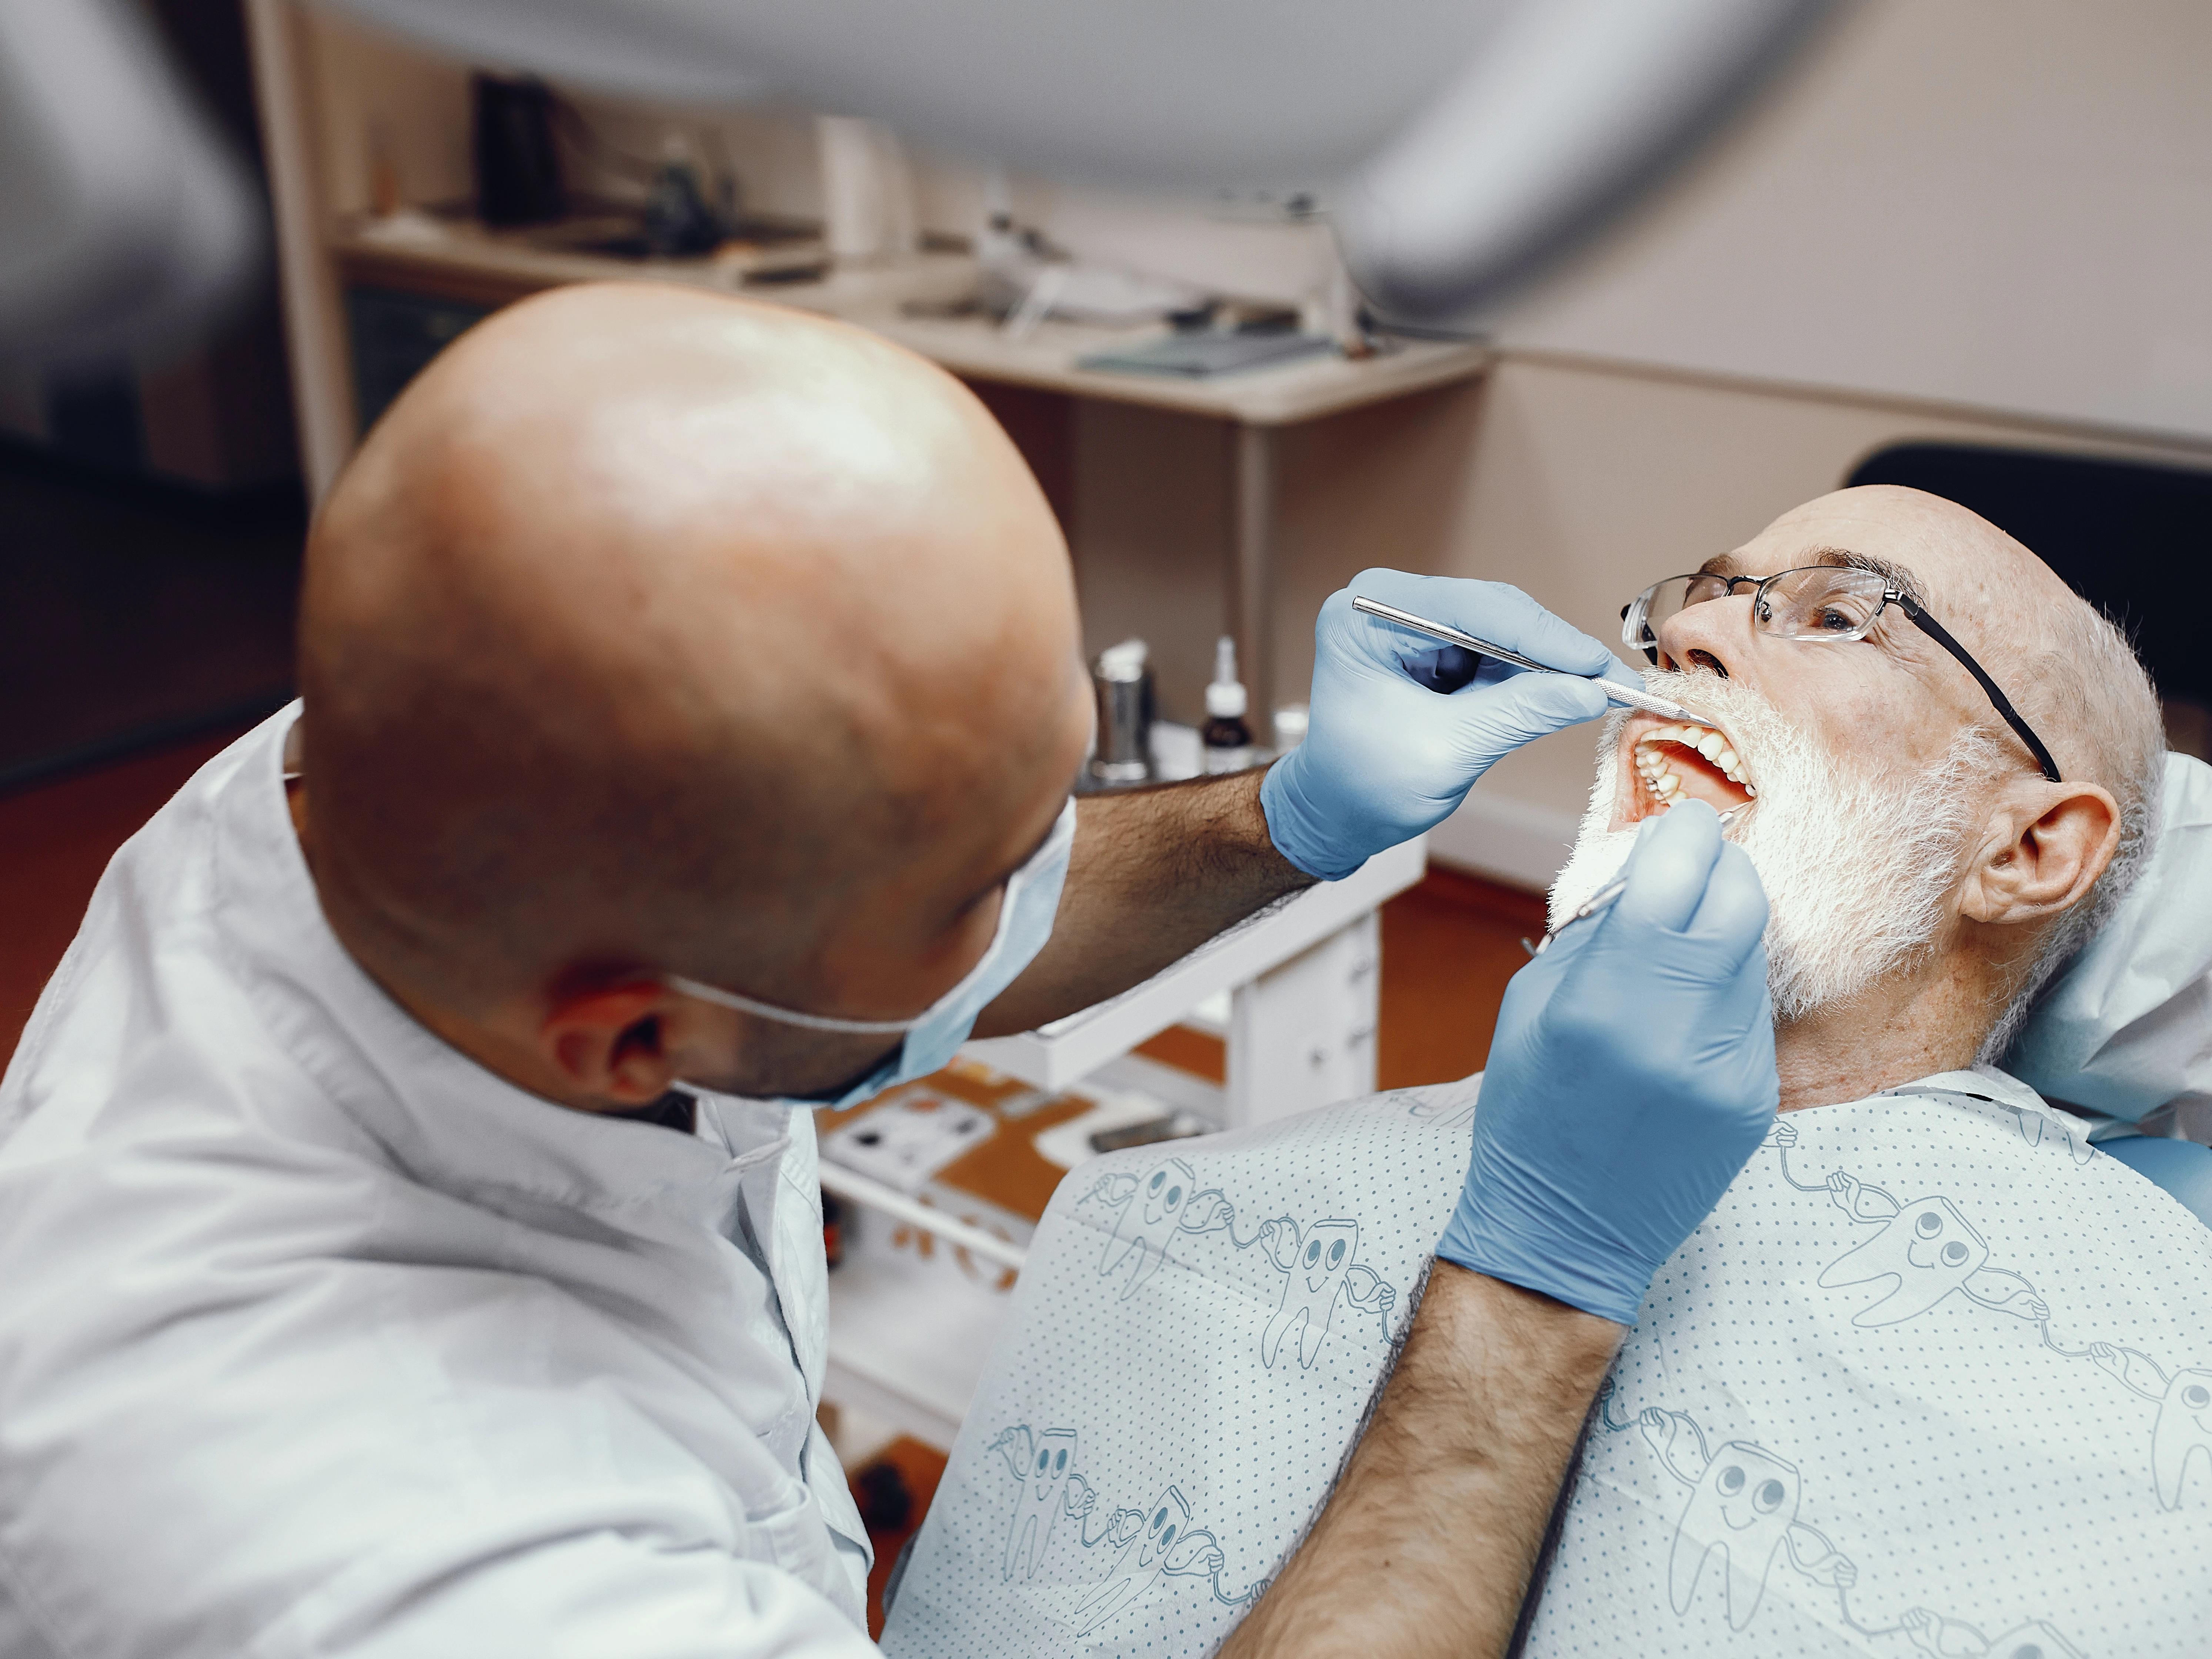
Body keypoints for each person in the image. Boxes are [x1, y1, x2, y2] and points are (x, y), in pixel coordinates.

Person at [0, 284, 1778, 1659]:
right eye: (986, 881)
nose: (1047, 871)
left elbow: (859, 896)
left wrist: (1288, 814)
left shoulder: (410, 759)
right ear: (631, 1038)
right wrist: (1536, 1285)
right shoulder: (434, 1562)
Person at [881, 486, 2211, 1659]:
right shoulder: (1152, 1215)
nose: (1690, 637)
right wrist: (1288, 812)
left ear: (2029, 851)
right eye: (1703, 596)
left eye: (1839, 616)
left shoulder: (2160, 1415)